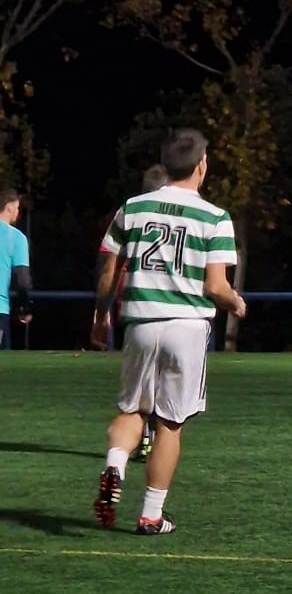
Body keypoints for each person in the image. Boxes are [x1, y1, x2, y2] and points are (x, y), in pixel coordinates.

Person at [91, 130, 244, 535]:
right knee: (170, 424)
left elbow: (109, 272)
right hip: (186, 327)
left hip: (141, 322)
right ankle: (151, 515)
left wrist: (101, 316)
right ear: (202, 165)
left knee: (132, 411)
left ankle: (115, 464)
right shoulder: (215, 217)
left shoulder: (132, 208)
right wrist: (235, 302)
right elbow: (215, 286)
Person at [96, 162, 171, 456]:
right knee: (166, 388)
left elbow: (108, 265)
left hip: (137, 306)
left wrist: (100, 313)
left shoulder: (130, 211)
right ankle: (154, 439)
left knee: (136, 392)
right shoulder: (188, 211)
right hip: (178, 310)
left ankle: (131, 446)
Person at [0, 189, 34, 349]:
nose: (18, 212)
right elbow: (23, 279)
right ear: (9, 207)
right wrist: (24, 307)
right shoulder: (16, 237)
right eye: (17, 208)